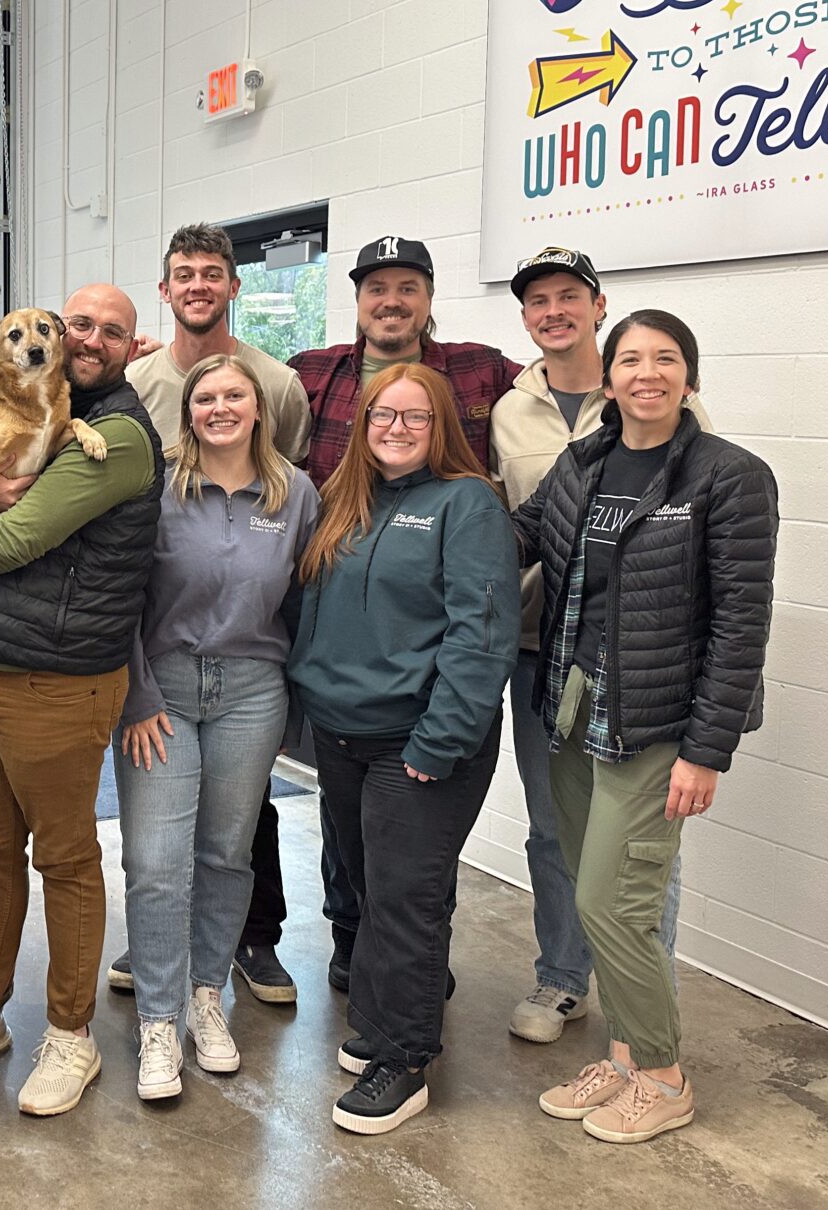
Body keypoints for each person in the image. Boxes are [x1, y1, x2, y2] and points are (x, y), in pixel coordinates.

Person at [0, 284, 164, 1117]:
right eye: (72, 323)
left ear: (129, 346)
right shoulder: (12, 404)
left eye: (104, 331)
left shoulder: (114, 436)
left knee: (65, 859)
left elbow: (10, 538)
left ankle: (71, 1035)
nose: (80, 339)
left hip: (56, 680)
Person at [517, 311, 777, 1144]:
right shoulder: (581, 462)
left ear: (688, 379)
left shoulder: (727, 475)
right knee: (586, 891)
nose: (646, 372)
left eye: (665, 359)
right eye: (630, 359)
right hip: (572, 703)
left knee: (614, 901)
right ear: (608, 379)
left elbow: (741, 621)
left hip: (657, 721)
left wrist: (707, 750)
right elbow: (519, 534)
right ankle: (625, 1058)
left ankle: (663, 1076)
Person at [288, 362, 520, 1136]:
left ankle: (404, 1057)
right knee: (366, 886)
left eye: (415, 418)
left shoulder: (468, 505)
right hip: (340, 733)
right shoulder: (340, 502)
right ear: (362, 423)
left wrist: (442, 737)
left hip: (417, 741)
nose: (396, 428)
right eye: (383, 415)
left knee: (403, 900)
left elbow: (480, 633)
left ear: (442, 427)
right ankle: (392, 1014)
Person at [289, 235, 522, 993]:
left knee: (411, 855)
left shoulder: (482, 370)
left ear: (427, 298)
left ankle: (412, 977)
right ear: (357, 302)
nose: (390, 301)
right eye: (375, 288)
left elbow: (565, 395)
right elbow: (227, 408)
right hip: (343, 630)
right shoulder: (314, 374)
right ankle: (350, 943)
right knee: (345, 837)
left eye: (406, 287)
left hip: (423, 630)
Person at [491, 247, 712, 1044]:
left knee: (642, 846)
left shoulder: (688, 436)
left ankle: (639, 1009)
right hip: (540, 652)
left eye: (568, 297)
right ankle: (562, 981)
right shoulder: (510, 411)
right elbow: (504, 526)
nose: (552, 311)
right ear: (524, 316)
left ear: (596, 305)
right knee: (556, 827)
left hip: (642, 668)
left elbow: (716, 578)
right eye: (536, 300)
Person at [116, 354, 318, 1101]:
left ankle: (207, 995)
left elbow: (304, 600)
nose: (220, 407)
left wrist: (298, 702)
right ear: (188, 410)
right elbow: (123, 598)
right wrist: (135, 697)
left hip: (251, 690)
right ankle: (159, 1019)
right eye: (206, 397)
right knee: (156, 859)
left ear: (259, 407)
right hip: (160, 687)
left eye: (235, 394)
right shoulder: (154, 486)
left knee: (227, 853)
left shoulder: (293, 492)